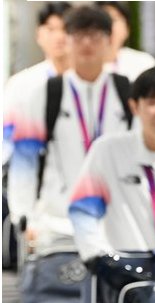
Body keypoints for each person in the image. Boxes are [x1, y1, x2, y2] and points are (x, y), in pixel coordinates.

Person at [7, 5, 132, 252]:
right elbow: (24, 160)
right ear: (68, 40)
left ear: (109, 41)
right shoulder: (45, 94)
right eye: (79, 35)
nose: (87, 43)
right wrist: (24, 217)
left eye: (95, 35)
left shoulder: (126, 92)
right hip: (57, 224)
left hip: (115, 226)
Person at [69, 66, 155, 261]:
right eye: (153, 102)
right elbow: (83, 210)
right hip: (127, 271)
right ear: (134, 106)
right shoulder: (108, 150)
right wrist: (99, 258)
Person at [3, 1, 72, 166]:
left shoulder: (88, 83)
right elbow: (6, 140)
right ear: (39, 35)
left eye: (65, 29)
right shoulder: (21, 84)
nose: (59, 36)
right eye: (51, 29)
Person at [97, 1, 155, 81]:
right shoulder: (82, 66)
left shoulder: (144, 63)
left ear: (127, 29)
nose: (108, 26)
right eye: (103, 19)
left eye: (114, 19)